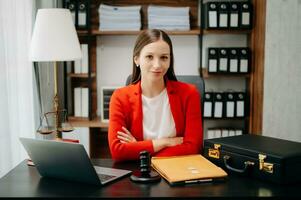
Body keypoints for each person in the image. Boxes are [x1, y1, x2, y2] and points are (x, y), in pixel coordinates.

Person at [108, 29, 203, 161]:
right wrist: (164, 142)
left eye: (164, 57)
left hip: (177, 172)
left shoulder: (189, 94)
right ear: (137, 59)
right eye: (149, 57)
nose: (157, 65)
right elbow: (118, 151)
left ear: (170, 60)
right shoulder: (120, 97)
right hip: (138, 175)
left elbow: (193, 147)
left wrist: (139, 149)